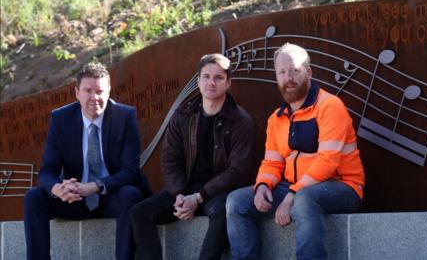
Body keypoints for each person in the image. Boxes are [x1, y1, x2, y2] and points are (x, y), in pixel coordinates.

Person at [226, 43, 365, 260]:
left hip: (343, 186)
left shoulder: (330, 106)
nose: (288, 77)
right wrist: (263, 185)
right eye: (282, 72)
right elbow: (272, 163)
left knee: (304, 199)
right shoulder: (276, 118)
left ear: (308, 72)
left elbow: (328, 161)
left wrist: (293, 194)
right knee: (237, 201)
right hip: (294, 188)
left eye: (294, 70)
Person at [130, 53, 256, 260]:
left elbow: (238, 172)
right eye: (206, 77)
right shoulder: (183, 115)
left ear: (228, 83)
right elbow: (170, 160)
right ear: (198, 81)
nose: (211, 83)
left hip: (218, 192)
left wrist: (198, 198)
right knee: (139, 212)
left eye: (218, 78)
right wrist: (179, 194)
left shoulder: (240, 121)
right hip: (185, 189)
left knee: (224, 212)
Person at [23, 62, 151, 260]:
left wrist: (95, 186)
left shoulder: (125, 116)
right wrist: (58, 189)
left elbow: (131, 171)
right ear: (77, 93)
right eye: (88, 91)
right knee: (34, 197)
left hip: (111, 197)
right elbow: (47, 171)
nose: (94, 97)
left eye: (100, 91)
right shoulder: (60, 119)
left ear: (109, 91)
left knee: (131, 194)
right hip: (74, 199)